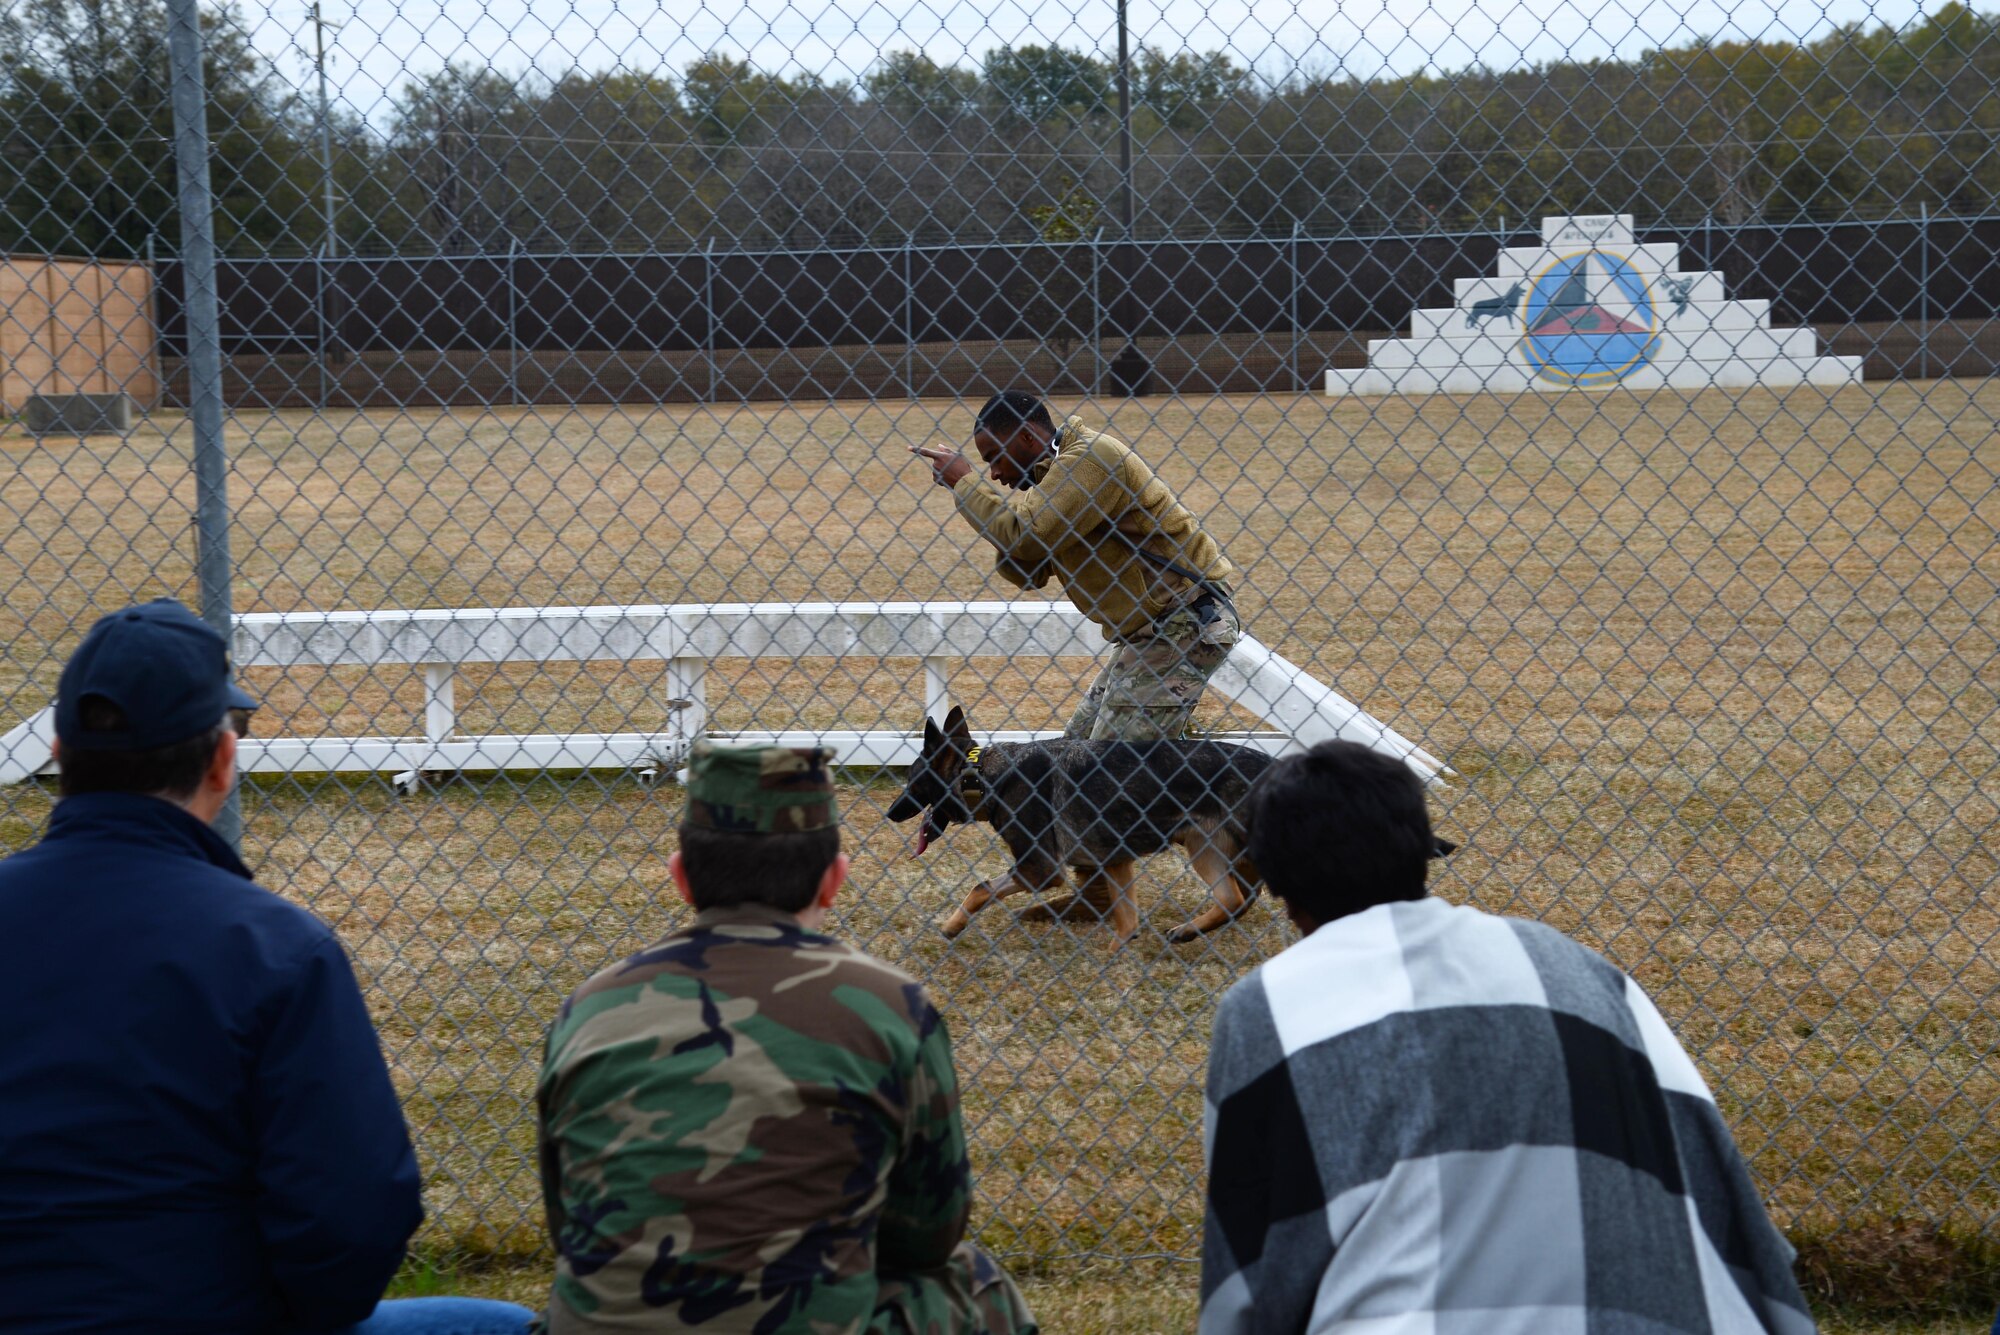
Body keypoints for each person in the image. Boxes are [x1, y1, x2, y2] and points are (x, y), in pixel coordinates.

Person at [0, 598, 534, 1335]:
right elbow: (356, 1205)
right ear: (223, 759)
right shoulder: (275, 947)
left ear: (58, 751)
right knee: (497, 1324)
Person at [1199, 741, 1816, 1335]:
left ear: (1275, 885)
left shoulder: (1267, 1005)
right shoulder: (1577, 966)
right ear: (1421, 847)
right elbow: (1709, 1165)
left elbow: (1249, 1238)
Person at [536, 741, 1037, 1335]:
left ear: (680, 878)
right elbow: (928, 1236)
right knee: (977, 1284)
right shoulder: (890, 1008)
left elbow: (568, 1222)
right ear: (834, 880)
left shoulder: (589, 1008)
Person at [910, 390, 1241, 743]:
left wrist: (965, 483)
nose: (993, 474)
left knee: (1109, 771)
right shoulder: (1053, 482)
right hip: (1150, 634)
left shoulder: (1090, 459)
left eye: (995, 457)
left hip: (1185, 621)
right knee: (1075, 758)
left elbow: (1027, 538)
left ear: (1026, 436)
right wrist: (1006, 530)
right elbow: (1029, 570)